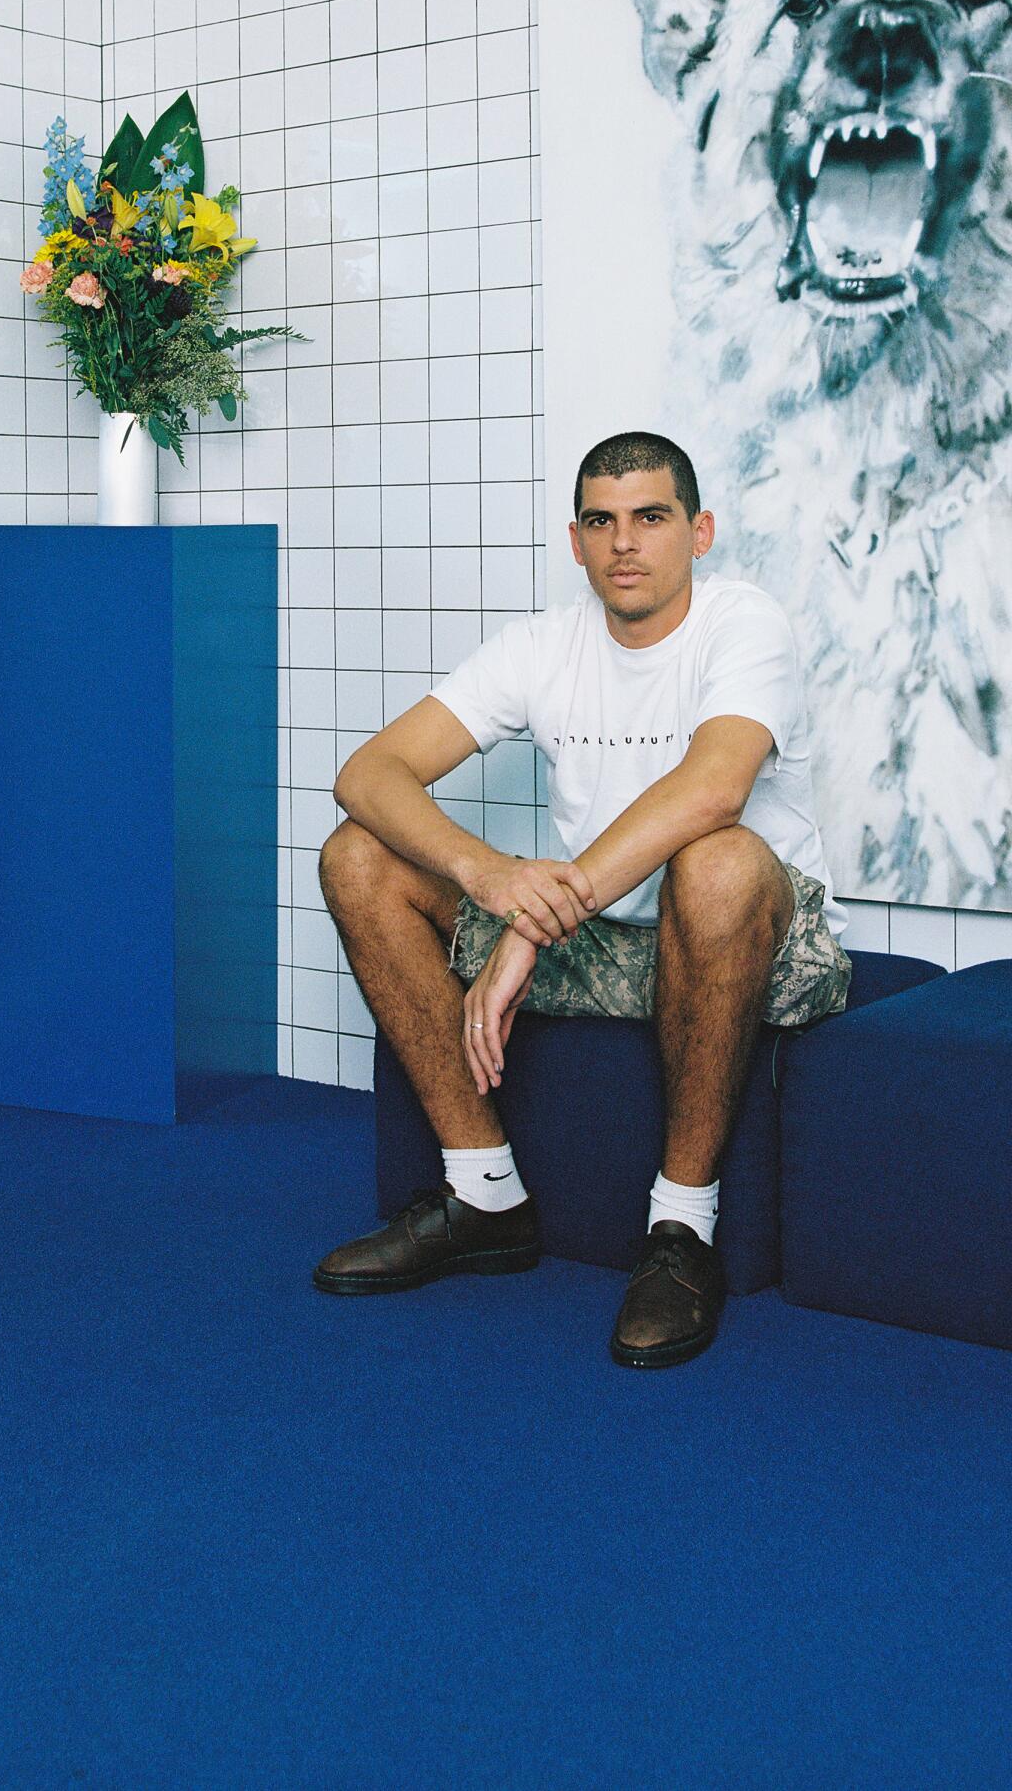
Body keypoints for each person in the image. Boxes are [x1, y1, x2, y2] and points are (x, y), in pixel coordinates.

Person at [312, 430, 851, 1368]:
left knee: (715, 860)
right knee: (358, 856)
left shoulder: (743, 623)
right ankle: (483, 1195)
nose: (625, 544)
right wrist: (494, 880)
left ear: (701, 530)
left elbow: (715, 787)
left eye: (651, 518)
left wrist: (529, 927)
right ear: (575, 541)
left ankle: (682, 1231)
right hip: (599, 937)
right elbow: (369, 773)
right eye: (601, 522)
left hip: (754, 945)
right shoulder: (542, 645)